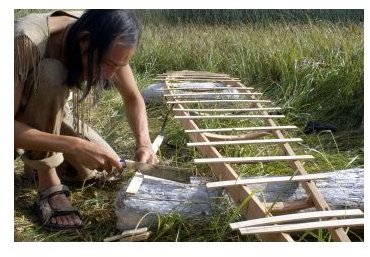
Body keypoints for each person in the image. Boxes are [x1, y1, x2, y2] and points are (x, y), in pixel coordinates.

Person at [14, 10, 158, 230]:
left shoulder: (110, 38)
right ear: (84, 41)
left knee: (103, 170)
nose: (110, 76)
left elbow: (132, 98)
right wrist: (75, 145)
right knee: (52, 74)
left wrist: (144, 143)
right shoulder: (27, 40)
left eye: (117, 67)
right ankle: (47, 181)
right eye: (107, 64)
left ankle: (35, 159)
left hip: (47, 110)